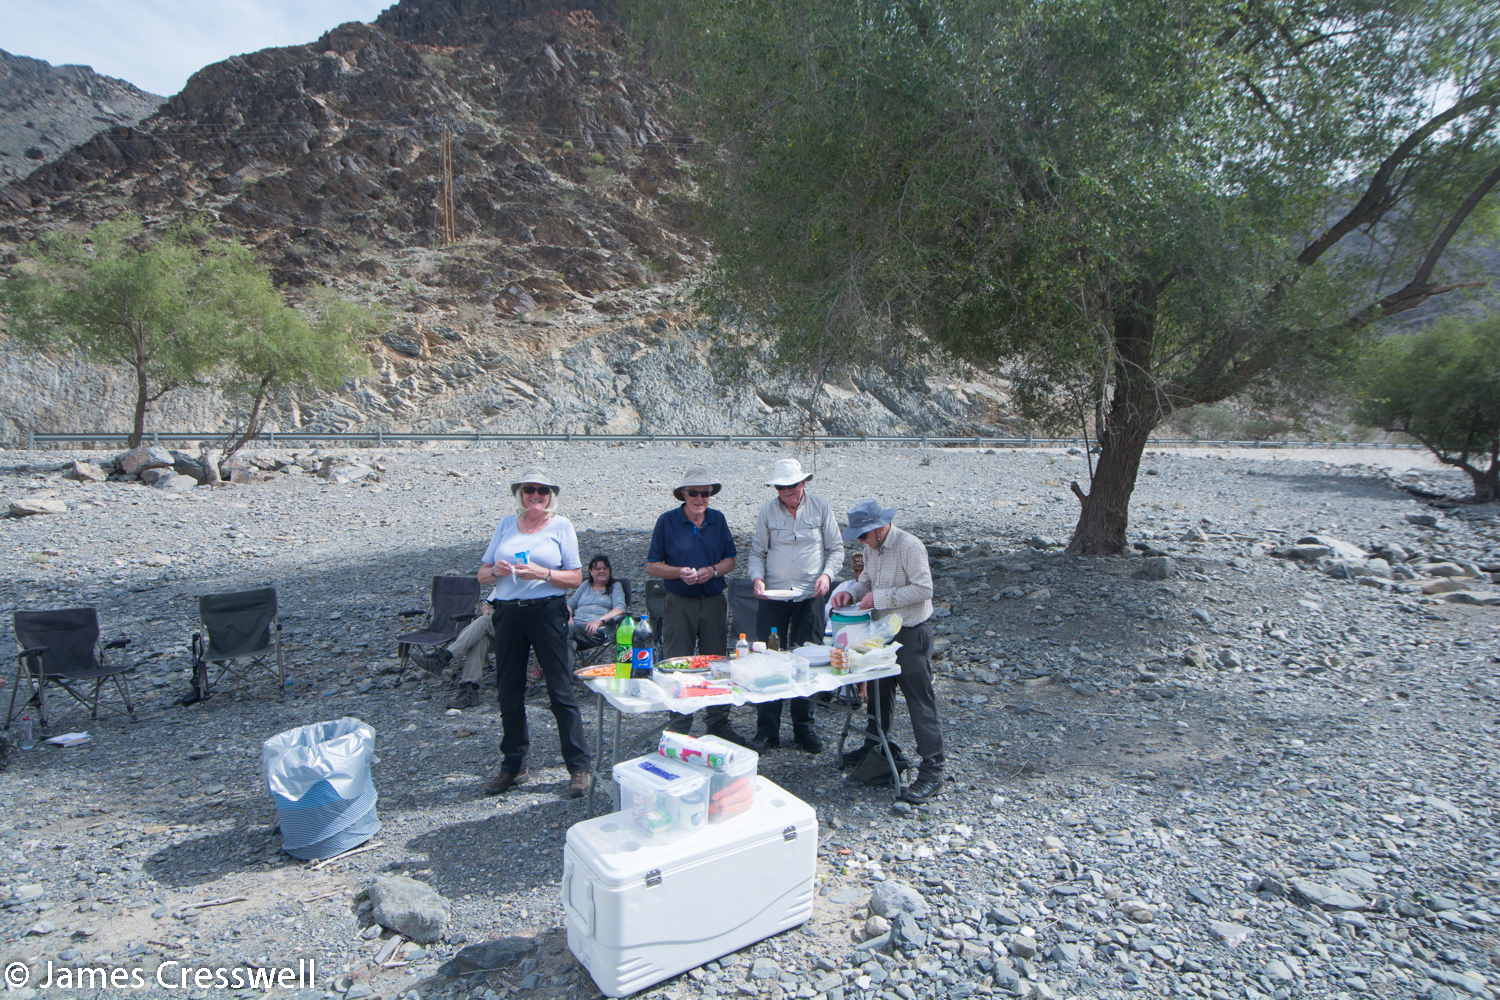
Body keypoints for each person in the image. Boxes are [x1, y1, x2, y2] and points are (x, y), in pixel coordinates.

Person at [478, 466, 591, 798]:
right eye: (530, 490)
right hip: (508, 612)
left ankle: (579, 767)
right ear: (521, 493)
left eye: (543, 491)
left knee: (560, 689)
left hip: (546, 611)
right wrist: (495, 570)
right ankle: (513, 766)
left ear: (550, 496)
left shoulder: (561, 526)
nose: (536, 497)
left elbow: (574, 577)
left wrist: (543, 573)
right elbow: (482, 575)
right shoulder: (505, 525)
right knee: (508, 691)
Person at [830, 499, 944, 804]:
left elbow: (924, 590)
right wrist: (848, 593)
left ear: (879, 528)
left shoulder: (910, 545)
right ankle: (875, 747)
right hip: (882, 632)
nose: (859, 541)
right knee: (879, 694)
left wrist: (879, 598)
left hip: (911, 630)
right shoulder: (871, 548)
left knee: (919, 700)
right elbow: (865, 581)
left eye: (862, 535)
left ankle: (932, 771)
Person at [747, 457, 842, 752]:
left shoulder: (822, 508)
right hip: (773, 597)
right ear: (776, 488)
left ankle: (804, 729)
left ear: (803, 483)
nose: (787, 490)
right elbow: (756, 552)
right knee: (768, 661)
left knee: (806, 662)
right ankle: (767, 730)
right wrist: (756, 579)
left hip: (810, 596)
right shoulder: (766, 511)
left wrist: (827, 576)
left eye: (792, 484)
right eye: (781, 486)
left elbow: (836, 549)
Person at [646, 465, 744, 744]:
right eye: (693, 493)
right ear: (683, 494)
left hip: (713, 601)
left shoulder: (718, 519)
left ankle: (717, 723)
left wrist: (713, 570)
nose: (699, 498)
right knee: (678, 664)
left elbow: (731, 560)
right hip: (679, 603)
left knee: (717, 664)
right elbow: (653, 566)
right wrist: (679, 572)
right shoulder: (666, 521)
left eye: (705, 493)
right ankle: (679, 727)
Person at [568, 554, 627, 662]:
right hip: (575, 628)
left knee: (558, 631)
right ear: (590, 571)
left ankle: (540, 666)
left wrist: (599, 621)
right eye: (598, 568)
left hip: (598, 632)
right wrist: (569, 619)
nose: (602, 571)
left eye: (605, 568)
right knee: (569, 643)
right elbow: (569, 604)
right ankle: (564, 678)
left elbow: (620, 608)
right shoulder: (586, 584)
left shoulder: (615, 586)